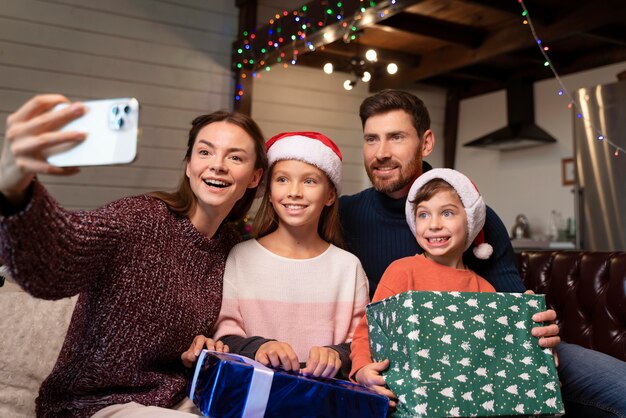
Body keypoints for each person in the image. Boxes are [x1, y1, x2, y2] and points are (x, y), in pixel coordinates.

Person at [340, 89, 626, 417]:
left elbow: (508, 305)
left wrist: (536, 331)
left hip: (483, 356)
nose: (381, 153)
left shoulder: (477, 217)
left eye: (396, 137)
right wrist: (357, 365)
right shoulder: (347, 215)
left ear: (426, 142)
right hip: (409, 361)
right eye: (371, 139)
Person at [0, 94, 268, 417]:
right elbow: (57, 260)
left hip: (176, 400)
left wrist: (205, 345)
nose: (217, 164)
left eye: (235, 157)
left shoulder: (230, 246)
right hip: (94, 404)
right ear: (188, 165)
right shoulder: (140, 218)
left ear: (254, 177)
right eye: (205, 151)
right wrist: (14, 190)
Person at [183, 132, 369, 380]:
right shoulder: (240, 256)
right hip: (253, 398)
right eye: (282, 179)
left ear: (330, 195)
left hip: (321, 401)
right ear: (269, 192)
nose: (294, 192)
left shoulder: (348, 267)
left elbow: (361, 341)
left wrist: (335, 354)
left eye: (310, 181)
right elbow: (224, 335)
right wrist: (260, 347)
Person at [351, 168, 499, 402]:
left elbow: (492, 356)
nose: (434, 225)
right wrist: (361, 370)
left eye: (447, 213)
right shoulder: (402, 271)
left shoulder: (485, 290)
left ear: (470, 220)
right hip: (405, 397)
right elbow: (368, 333)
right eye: (423, 215)